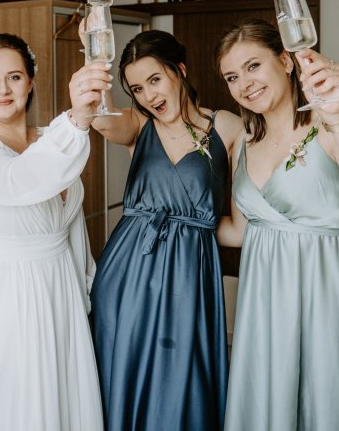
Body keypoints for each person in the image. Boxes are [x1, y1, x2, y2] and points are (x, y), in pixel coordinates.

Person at [215, 18, 339, 431]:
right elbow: (240, 232)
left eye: (253, 66)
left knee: (329, 399)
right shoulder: (243, 143)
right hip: (264, 302)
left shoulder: (333, 126)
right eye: (232, 77)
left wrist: (337, 114)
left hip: (328, 292)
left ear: (286, 61)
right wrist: (176, 222)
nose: (244, 84)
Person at [0, 33, 105, 430]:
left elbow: (70, 226)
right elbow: (22, 180)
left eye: (14, 77)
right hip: (2, 296)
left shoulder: (52, 138)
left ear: (30, 82)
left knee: (64, 396)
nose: (2, 89)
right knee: (16, 401)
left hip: (59, 288)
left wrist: (84, 286)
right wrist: (77, 119)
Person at [87, 29, 242, 430]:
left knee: (182, 382)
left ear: (180, 70)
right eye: (137, 89)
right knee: (123, 371)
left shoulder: (227, 126)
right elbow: (100, 119)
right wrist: (97, 57)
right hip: (127, 273)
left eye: (155, 80)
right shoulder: (138, 125)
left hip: (190, 274)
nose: (148, 96)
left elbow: (239, 229)